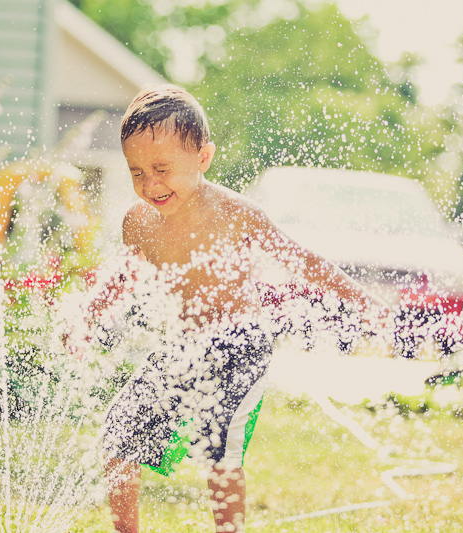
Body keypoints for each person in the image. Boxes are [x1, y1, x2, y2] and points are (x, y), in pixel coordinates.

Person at [79, 84, 393, 533]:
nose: (150, 184)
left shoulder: (235, 213)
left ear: (203, 158)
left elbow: (301, 260)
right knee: (119, 435)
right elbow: (125, 274)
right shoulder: (139, 221)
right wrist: (90, 315)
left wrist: (363, 302)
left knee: (218, 453)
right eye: (137, 172)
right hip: (184, 344)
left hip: (239, 345)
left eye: (162, 169)